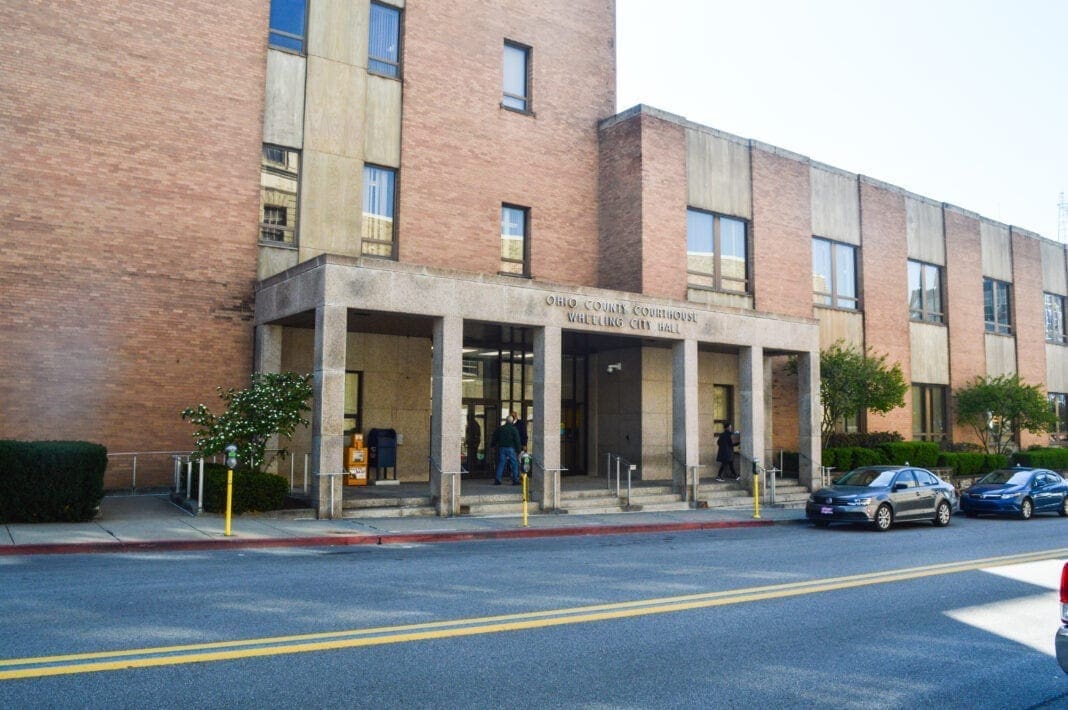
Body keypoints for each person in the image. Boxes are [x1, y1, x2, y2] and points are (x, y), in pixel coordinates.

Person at [491, 414, 522, 485]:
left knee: (501, 463)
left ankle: (498, 480)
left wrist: (492, 445)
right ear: (512, 421)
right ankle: (515, 480)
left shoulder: (501, 428)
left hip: (502, 448)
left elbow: (495, 437)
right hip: (511, 448)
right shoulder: (514, 429)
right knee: (514, 464)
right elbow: (517, 440)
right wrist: (518, 450)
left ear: (506, 421)